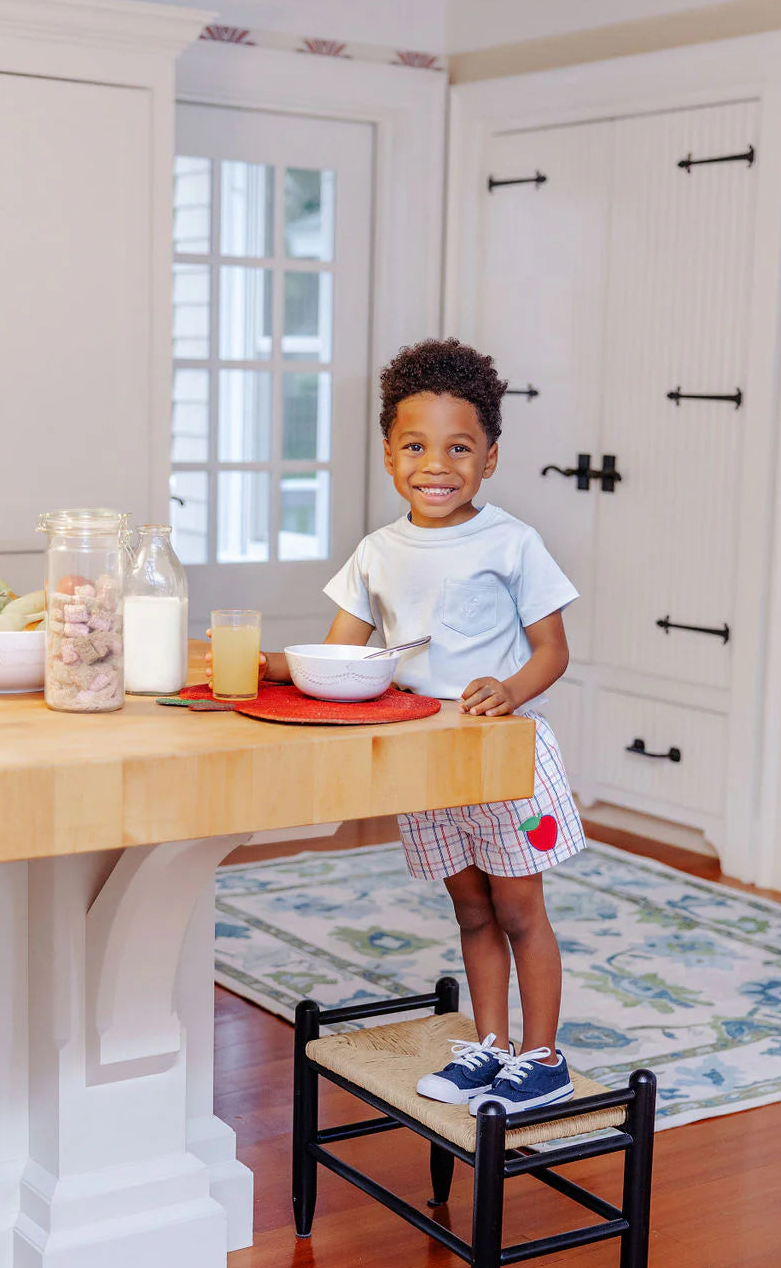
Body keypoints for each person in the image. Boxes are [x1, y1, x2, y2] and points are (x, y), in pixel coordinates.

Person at [214, 339, 586, 1114]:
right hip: (426, 758)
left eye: (459, 447)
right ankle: (488, 1047)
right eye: (415, 446)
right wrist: (258, 663)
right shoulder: (377, 553)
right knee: (472, 908)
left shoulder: (513, 542)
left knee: (521, 909)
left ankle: (542, 1056)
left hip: (503, 755)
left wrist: (508, 688)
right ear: (388, 455)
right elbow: (337, 655)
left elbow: (553, 651)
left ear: (490, 457)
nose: (436, 464)